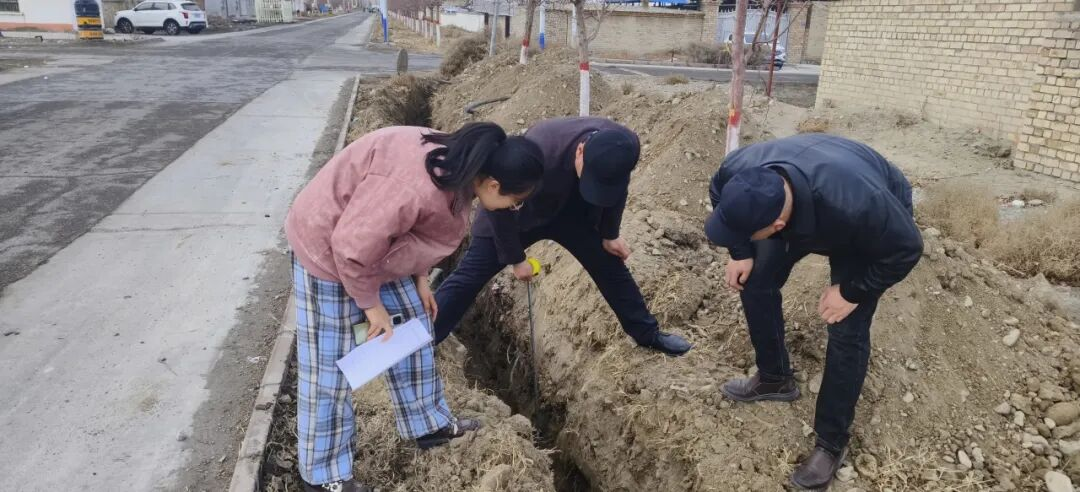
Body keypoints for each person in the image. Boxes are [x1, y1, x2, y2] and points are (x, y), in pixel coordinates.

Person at [285, 123, 545, 492]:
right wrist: (371, 306)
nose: (514, 209)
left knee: (415, 327)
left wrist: (420, 275)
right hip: (327, 249)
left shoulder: (460, 167)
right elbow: (351, 249)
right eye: (514, 201)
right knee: (330, 368)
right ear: (492, 185)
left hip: (374, 247)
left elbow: (413, 229)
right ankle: (324, 476)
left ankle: (426, 424)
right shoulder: (412, 185)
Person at [705, 134, 923, 490]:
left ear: (776, 227)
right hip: (809, 185)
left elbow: (906, 249)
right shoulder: (740, 169)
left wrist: (852, 292)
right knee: (756, 281)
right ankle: (775, 378)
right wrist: (740, 251)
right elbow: (718, 193)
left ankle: (831, 443)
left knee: (846, 328)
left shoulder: (861, 206)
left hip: (862, 216)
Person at [433, 117, 692, 356]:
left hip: (572, 213)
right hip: (517, 211)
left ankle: (647, 334)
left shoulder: (623, 145)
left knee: (609, 266)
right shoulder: (541, 148)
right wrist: (516, 258)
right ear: (580, 151)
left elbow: (617, 188)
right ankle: (426, 337)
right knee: (470, 275)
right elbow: (499, 206)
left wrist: (609, 234)